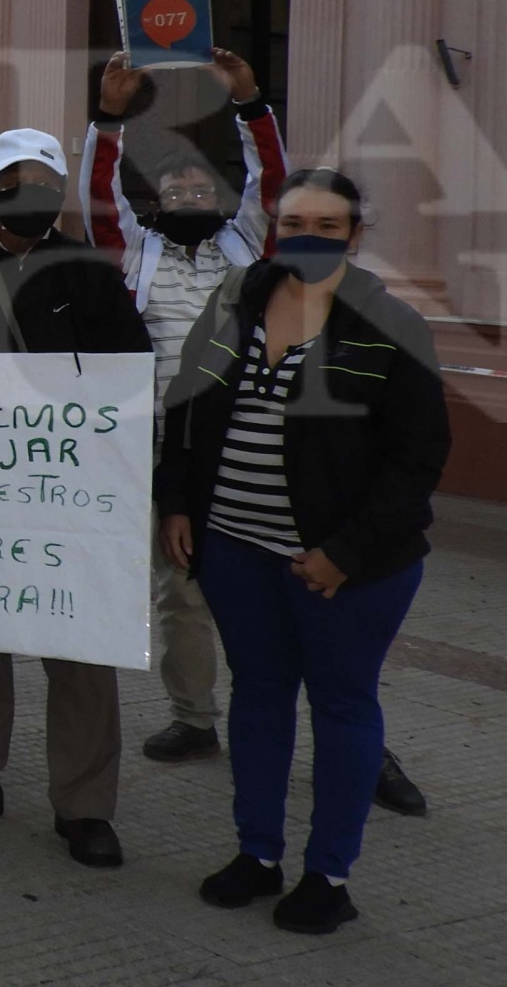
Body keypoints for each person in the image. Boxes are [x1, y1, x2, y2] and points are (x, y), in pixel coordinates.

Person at [155, 168, 450, 935]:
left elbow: (417, 459)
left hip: (348, 568)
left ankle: (329, 875)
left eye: (329, 227)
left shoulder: (389, 324)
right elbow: (188, 406)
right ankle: (258, 854)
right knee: (258, 696)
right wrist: (178, 502)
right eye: (296, 225)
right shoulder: (238, 301)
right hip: (235, 548)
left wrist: (344, 552)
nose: (310, 240)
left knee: (342, 704)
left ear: (355, 235)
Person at [0, 129, 151, 869]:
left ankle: (84, 808)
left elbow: (128, 385)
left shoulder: (90, 274)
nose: (30, 193)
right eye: (15, 180)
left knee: (79, 650)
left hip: (68, 502)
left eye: (45, 180)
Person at [82, 48, 288, 769]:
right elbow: (97, 196)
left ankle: (288, 714)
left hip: (240, 443)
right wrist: (107, 118)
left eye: (204, 185)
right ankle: (195, 718)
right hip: (155, 446)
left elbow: (273, 180)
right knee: (179, 588)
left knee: (264, 587)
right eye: (177, 185)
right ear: (158, 200)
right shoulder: (135, 255)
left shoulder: (244, 249)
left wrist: (249, 103)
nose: (192, 193)